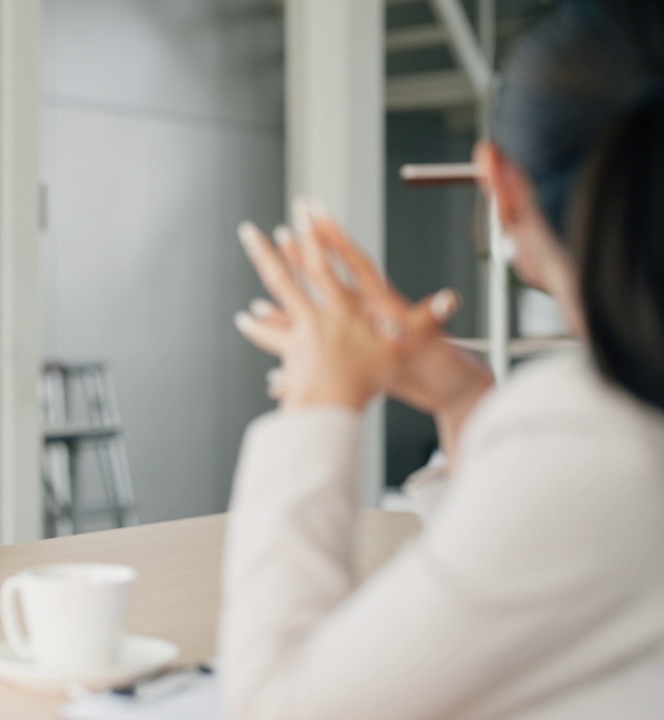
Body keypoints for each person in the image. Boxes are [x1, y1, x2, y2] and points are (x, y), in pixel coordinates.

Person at [221, 0, 664, 716]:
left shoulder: (597, 441)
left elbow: (280, 704)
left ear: (500, 186)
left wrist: (316, 403)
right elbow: (521, 598)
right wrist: (465, 402)